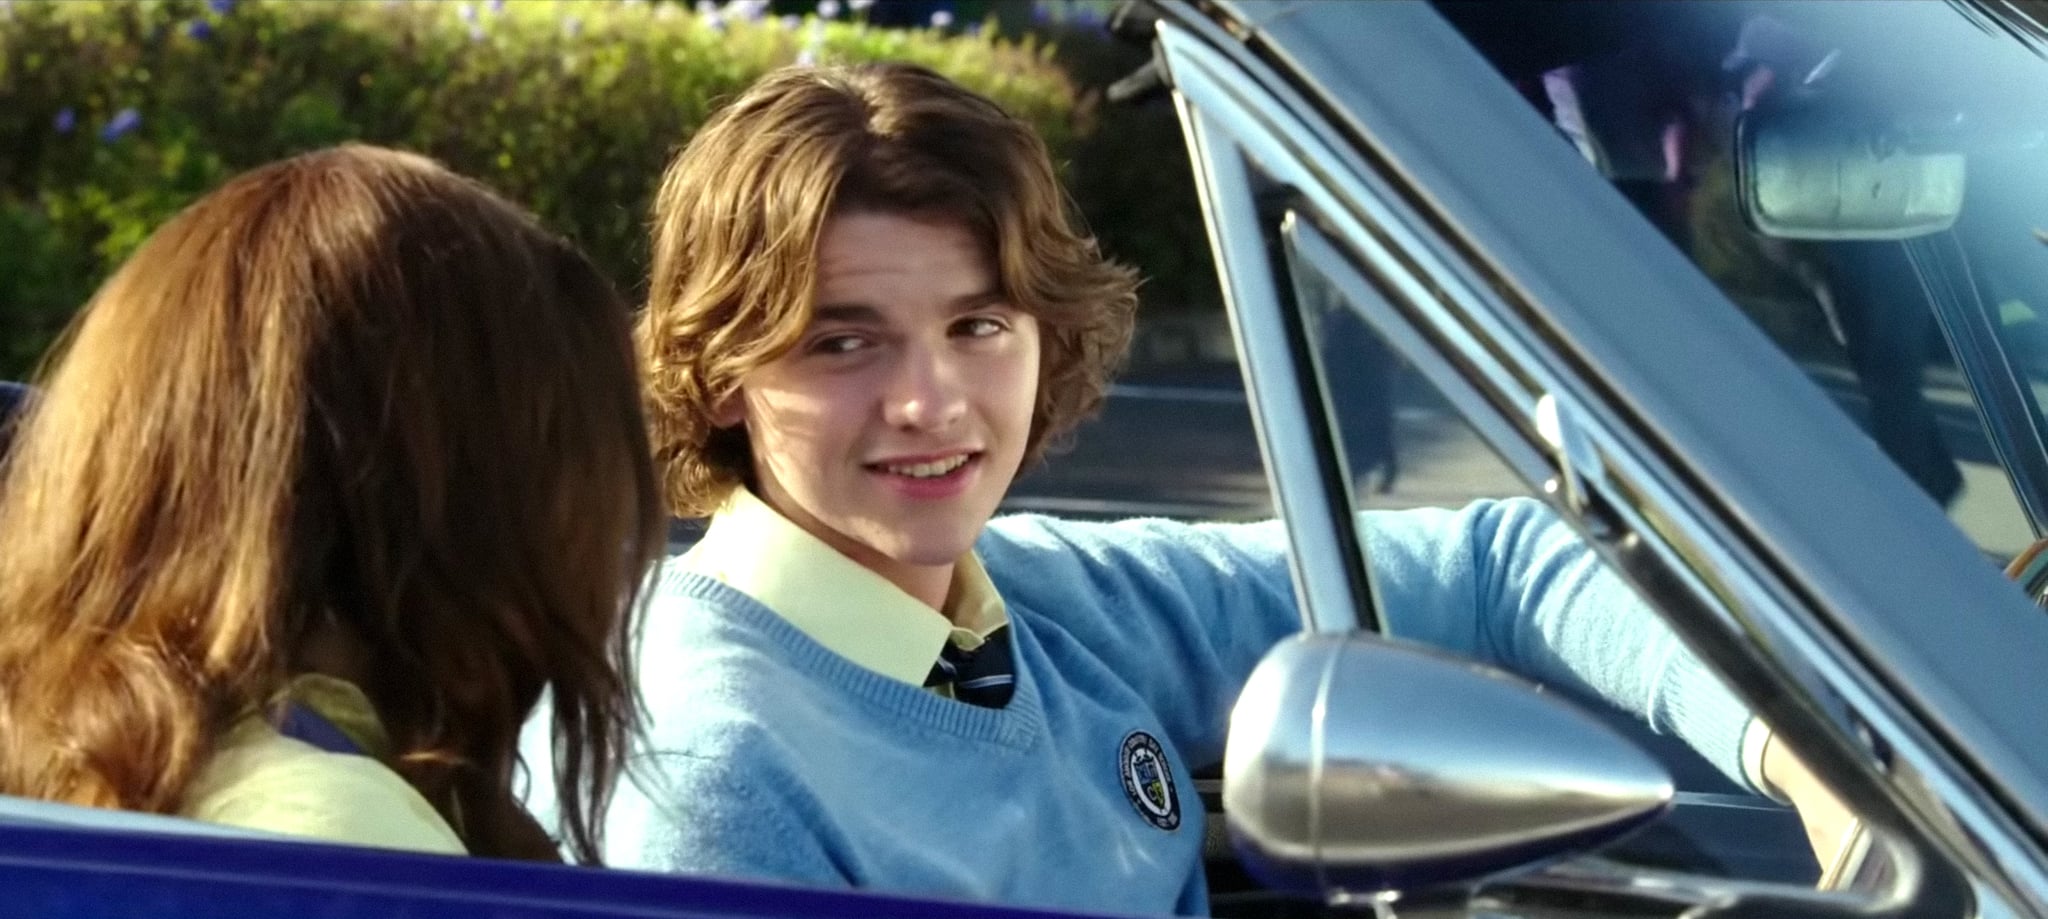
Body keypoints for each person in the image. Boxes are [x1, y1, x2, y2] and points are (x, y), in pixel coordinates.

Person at [521, 62, 1840, 912]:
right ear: (721, 374)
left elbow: (1508, 559)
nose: (930, 400)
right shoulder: (708, 767)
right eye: (842, 342)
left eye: (978, 326)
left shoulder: (1038, 601)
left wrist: (1809, 750)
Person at [0, 145, 666, 863]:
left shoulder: (86, 755)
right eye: (576, 463)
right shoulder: (342, 836)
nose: (606, 541)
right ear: (476, 501)